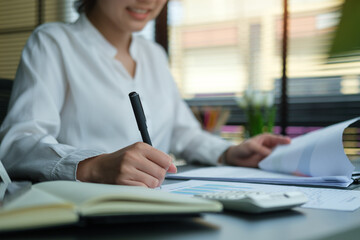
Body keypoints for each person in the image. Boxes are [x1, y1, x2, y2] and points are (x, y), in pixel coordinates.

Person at [0, 0, 290, 188]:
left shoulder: (153, 54)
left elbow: (183, 133)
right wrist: (94, 165)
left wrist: (229, 152)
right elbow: (18, 144)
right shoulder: (52, 43)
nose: (148, 2)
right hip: (87, 211)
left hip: (159, 201)